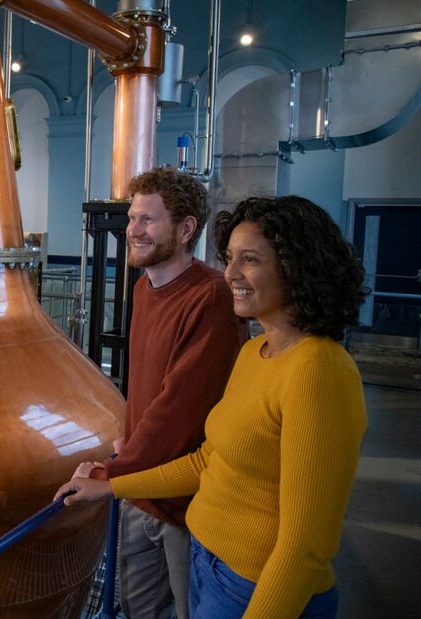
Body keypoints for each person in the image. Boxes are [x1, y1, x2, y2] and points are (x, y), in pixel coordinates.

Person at [58, 196, 367, 619]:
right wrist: (111, 485)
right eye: (230, 258)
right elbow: (208, 461)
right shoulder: (256, 351)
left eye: (250, 260)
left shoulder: (319, 372)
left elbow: (305, 550)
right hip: (208, 565)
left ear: (298, 268)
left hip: (254, 588)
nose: (231, 273)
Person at [101, 166, 247, 619]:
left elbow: (179, 409)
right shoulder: (144, 288)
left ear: (186, 230)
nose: (133, 230)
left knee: (186, 611)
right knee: (138, 610)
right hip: (140, 492)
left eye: (147, 220)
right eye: (132, 218)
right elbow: (147, 388)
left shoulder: (212, 298)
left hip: (187, 505)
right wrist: (128, 454)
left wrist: (111, 474)